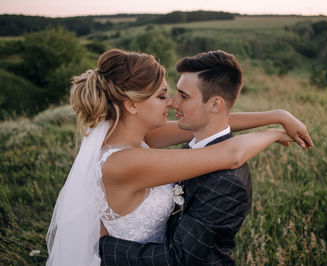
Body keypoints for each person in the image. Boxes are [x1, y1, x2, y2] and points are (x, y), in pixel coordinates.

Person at [46, 49, 313, 266]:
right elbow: (231, 155)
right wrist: (275, 134)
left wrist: (278, 114)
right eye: (162, 95)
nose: (171, 103)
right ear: (131, 104)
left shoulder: (133, 137)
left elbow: (211, 119)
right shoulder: (125, 162)